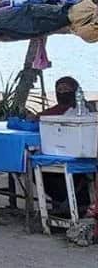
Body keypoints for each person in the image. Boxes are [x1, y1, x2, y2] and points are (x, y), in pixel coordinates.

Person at [38, 77, 94, 215]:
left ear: (75, 90)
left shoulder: (83, 109)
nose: (62, 93)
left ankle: (70, 202)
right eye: (59, 90)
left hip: (80, 157)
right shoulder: (55, 111)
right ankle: (65, 202)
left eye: (66, 89)